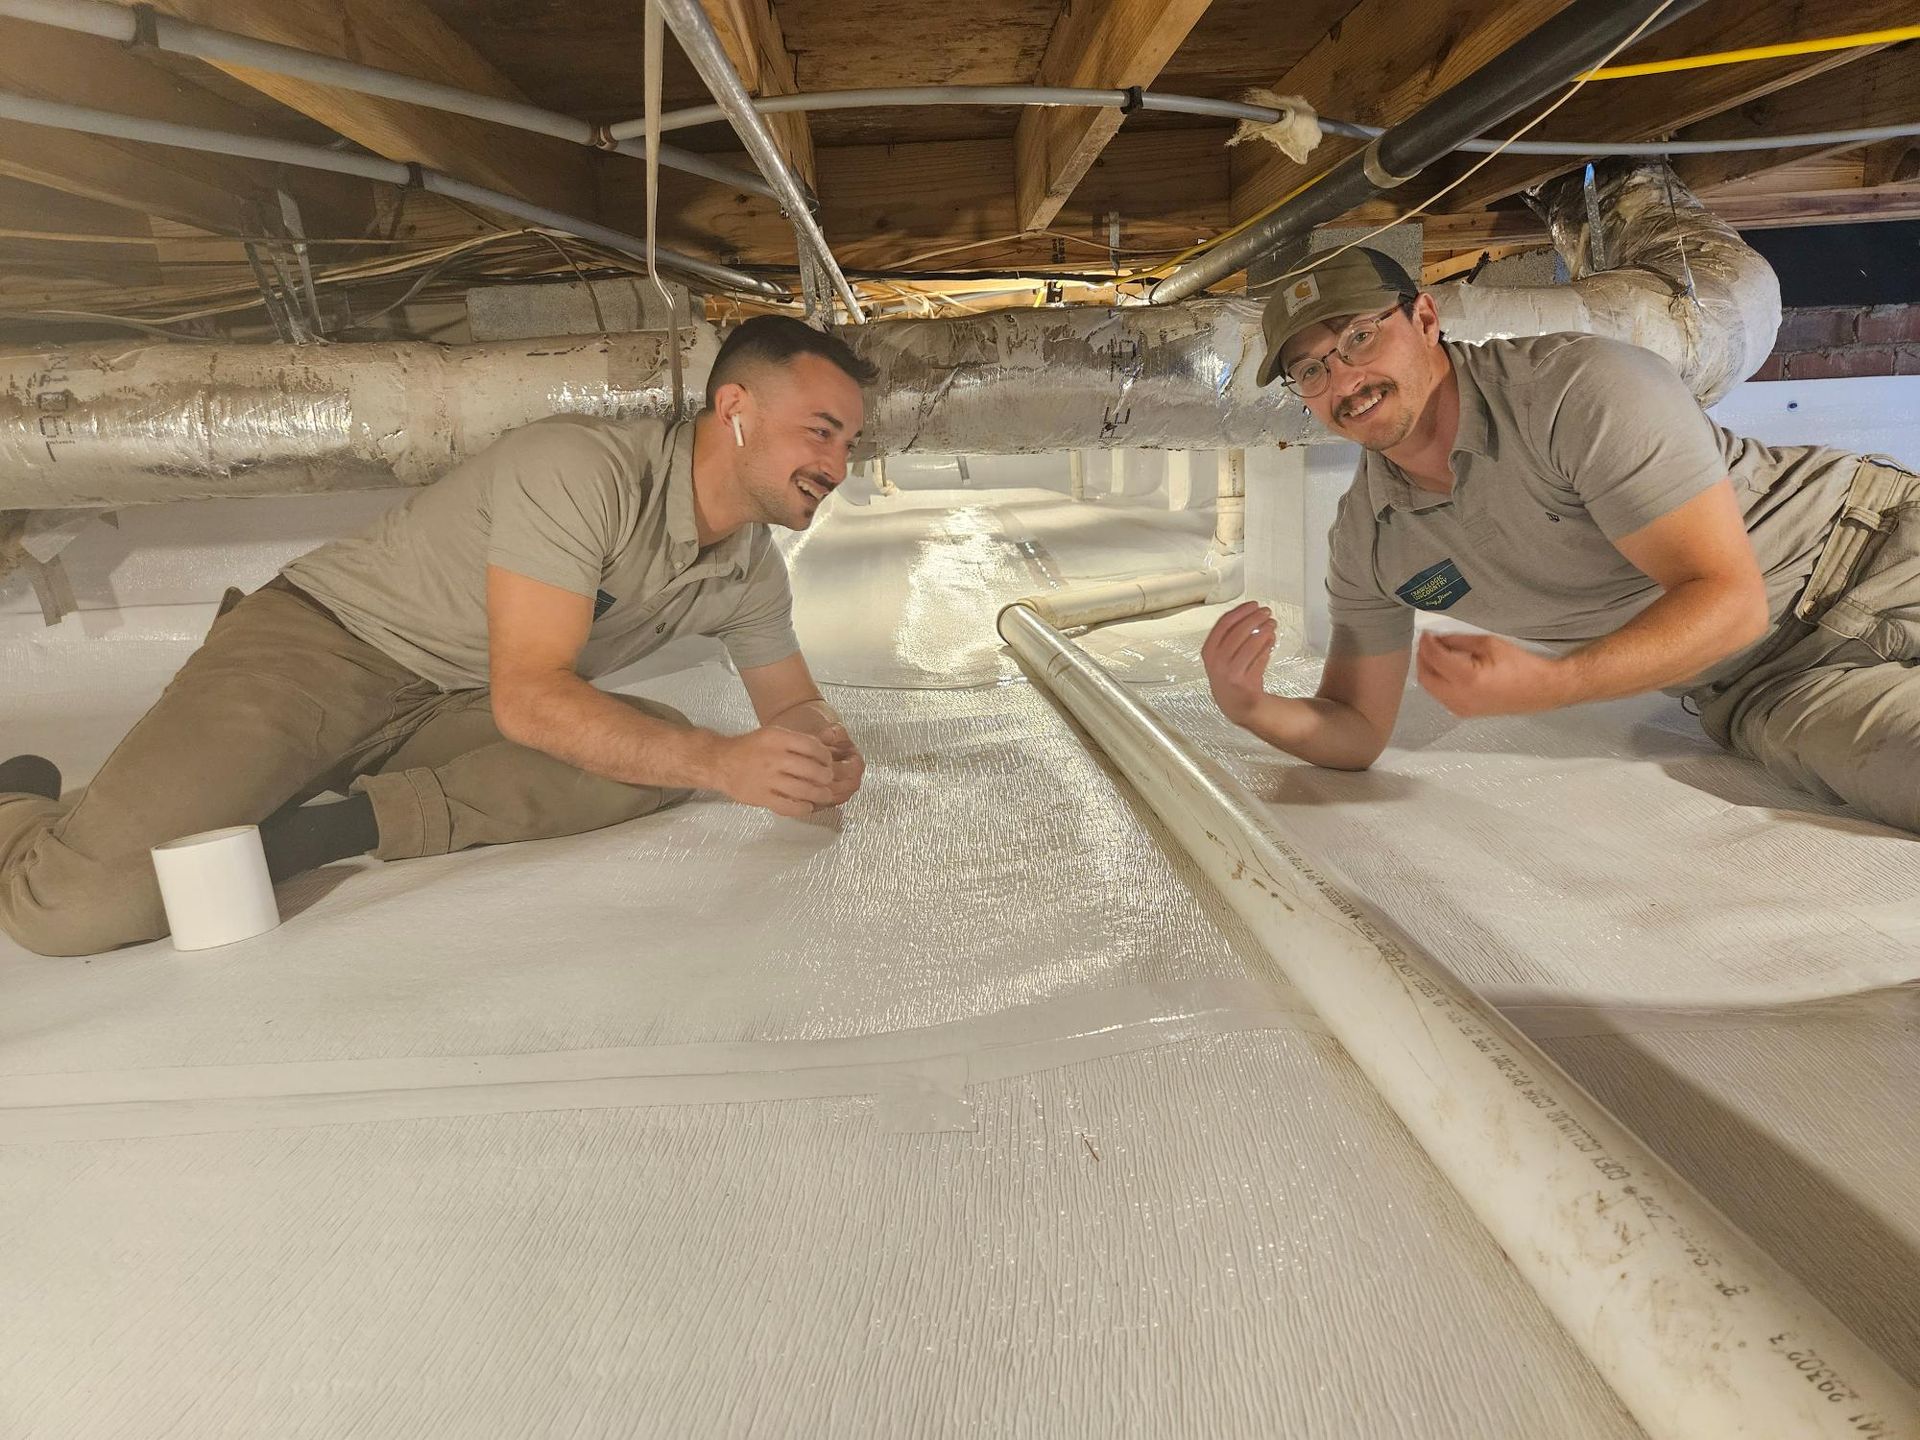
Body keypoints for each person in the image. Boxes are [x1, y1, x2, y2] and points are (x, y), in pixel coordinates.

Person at [0, 314, 873, 956]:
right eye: (821, 433)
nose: (835, 467)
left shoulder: (750, 566)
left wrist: (819, 749)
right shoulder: (583, 470)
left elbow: (791, 705)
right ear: (736, 410)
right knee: (72, 911)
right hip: (320, 652)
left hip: (451, 701)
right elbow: (534, 698)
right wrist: (727, 764)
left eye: (849, 444)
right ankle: (19, 799)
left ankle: (317, 834)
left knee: (651, 756)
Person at [1202, 246, 1918, 830]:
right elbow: (1355, 727)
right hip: (1772, 689)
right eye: (1311, 370)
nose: (1346, 378)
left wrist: (1551, 684)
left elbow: (1730, 601)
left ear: (1424, 318)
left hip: (1878, 547)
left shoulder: (1578, 390)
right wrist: (1249, 707)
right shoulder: (1371, 538)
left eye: (1359, 336)